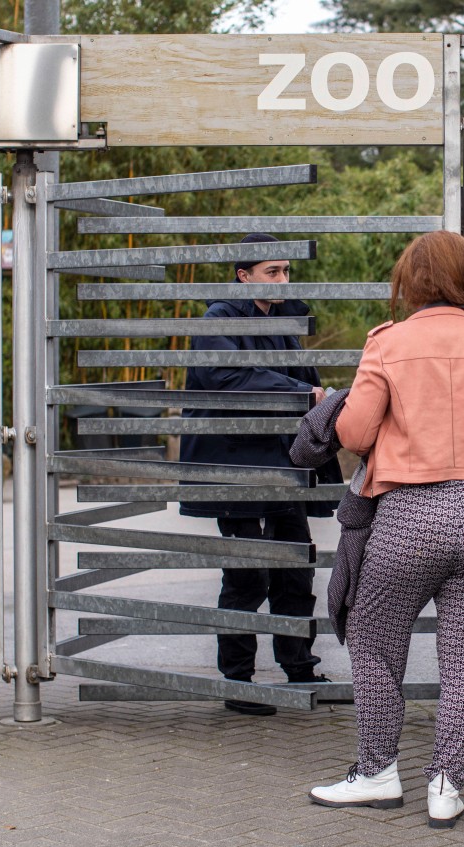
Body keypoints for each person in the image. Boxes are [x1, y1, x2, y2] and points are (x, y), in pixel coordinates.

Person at [307, 231, 464, 829]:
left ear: (411, 282)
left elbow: (355, 435)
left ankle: (379, 772)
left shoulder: (388, 343)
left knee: (374, 639)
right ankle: (446, 786)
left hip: (412, 515)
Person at [179, 233, 332, 716]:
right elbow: (229, 379)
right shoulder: (217, 320)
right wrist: (304, 392)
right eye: (273, 271)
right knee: (247, 575)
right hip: (235, 467)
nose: (283, 279)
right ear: (243, 276)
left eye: (287, 270)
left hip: (281, 463)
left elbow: (301, 381)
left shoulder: (283, 323)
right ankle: (239, 682)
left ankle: (299, 669)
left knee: (295, 569)